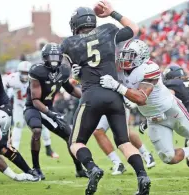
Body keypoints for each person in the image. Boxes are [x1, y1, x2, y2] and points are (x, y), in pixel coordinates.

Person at [99, 39, 189, 187]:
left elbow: (141, 98)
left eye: (130, 56)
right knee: (169, 158)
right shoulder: (119, 70)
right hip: (153, 119)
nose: (125, 59)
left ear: (141, 57)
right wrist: (80, 76)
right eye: (124, 55)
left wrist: (119, 88)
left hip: (171, 111)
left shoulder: (149, 68)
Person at [61, 2, 150, 194]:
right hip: (114, 94)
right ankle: (142, 176)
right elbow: (134, 28)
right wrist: (112, 13)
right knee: (124, 142)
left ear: (75, 23)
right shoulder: (108, 29)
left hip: (91, 95)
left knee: (75, 143)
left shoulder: (69, 43)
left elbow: (76, 71)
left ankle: (92, 168)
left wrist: (77, 76)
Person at [24, 43, 87, 180]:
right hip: (33, 108)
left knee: (70, 136)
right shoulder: (37, 71)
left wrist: (87, 97)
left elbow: (70, 89)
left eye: (56, 56)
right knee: (36, 131)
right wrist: (51, 113)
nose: (53, 60)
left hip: (48, 107)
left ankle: (79, 169)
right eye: (50, 56)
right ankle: (36, 169)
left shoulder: (63, 70)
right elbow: (35, 100)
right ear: (44, 58)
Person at [3, 61, 59, 158]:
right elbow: (2, 85)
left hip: (33, 105)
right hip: (19, 106)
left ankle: (48, 148)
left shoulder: (36, 78)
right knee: (18, 126)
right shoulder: (13, 79)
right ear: (18, 72)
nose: (25, 75)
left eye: (26, 73)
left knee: (43, 125)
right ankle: (15, 149)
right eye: (22, 72)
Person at [0, 66, 40, 178]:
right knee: (3, 147)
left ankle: (25, 173)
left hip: (2, 110)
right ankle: (29, 171)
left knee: (3, 147)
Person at [92, 99, 156, 175]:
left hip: (118, 102)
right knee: (97, 131)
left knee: (124, 132)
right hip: (102, 105)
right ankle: (117, 163)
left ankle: (146, 154)